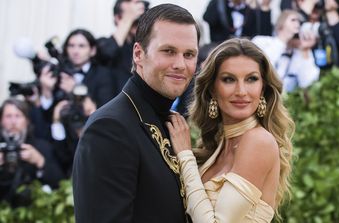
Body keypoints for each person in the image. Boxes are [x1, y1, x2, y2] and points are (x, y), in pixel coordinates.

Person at [72, 4, 200, 223]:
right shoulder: (110, 128)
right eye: (168, 51)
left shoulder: (169, 121)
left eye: (189, 54)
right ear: (139, 54)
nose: (180, 64)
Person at [166, 38, 295, 222]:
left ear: (262, 87)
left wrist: (185, 156)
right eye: (229, 79)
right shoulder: (219, 147)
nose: (241, 91)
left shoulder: (259, 141)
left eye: (251, 79)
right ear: (212, 89)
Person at [0, 98, 63, 205]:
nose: (13, 122)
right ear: (1, 121)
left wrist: (40, 161)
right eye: (8, 116)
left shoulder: (42, 147)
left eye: (18, 116)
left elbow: (60, 183)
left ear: (27, 120)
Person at [252, 10, 320, 92]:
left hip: (285, 100)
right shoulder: (261, 41)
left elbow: (307, 83)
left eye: (299, 22)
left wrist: (305, 50)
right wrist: (283, 41)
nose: (297, 24)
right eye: (293, 20)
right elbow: (261, 67)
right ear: (281, 23)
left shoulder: (298, 52)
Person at [97, 0, 146, 92]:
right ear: (117, 18)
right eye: (135, 20)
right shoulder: (103, 43)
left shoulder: (142, 48)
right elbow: (107, 54)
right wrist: (128, 18)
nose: (138, 23)